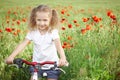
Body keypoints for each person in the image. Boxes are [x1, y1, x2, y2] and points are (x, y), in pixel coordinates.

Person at [5, 4, 68, 80]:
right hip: (36, 66)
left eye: (45, 20)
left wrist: (62, 57)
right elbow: (22, 44)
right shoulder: (33, 32)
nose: (42, 23)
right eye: (39, 20)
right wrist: (12, 56)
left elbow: (59, 46)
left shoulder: (52, 32)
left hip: (52, 66)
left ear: (50, 19)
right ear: (35, 19)